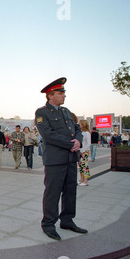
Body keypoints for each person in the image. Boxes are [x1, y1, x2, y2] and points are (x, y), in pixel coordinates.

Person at [35, 77, 87, 241]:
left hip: (71, 158)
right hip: (55, 160)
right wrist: (70, 144)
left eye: (64, 92)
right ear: (51, 95)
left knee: (70, 191)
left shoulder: (66, 112)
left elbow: (77, 129)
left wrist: (78, 140)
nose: (64, 96)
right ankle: (48, 224)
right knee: (53, 192)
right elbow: (48, 134)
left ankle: (67, 220)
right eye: (60, 93)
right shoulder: (42, 113)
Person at [78, 120, 91, 186]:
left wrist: (82, 150)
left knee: (84, 166)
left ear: (83, 124)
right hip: (80, 151)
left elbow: (88, 143)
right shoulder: (81, 132)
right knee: (80, 166)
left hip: (84, 151)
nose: (78, 124)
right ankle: (81, 179)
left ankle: (86, 181)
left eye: (80, 123)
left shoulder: (87, 133)